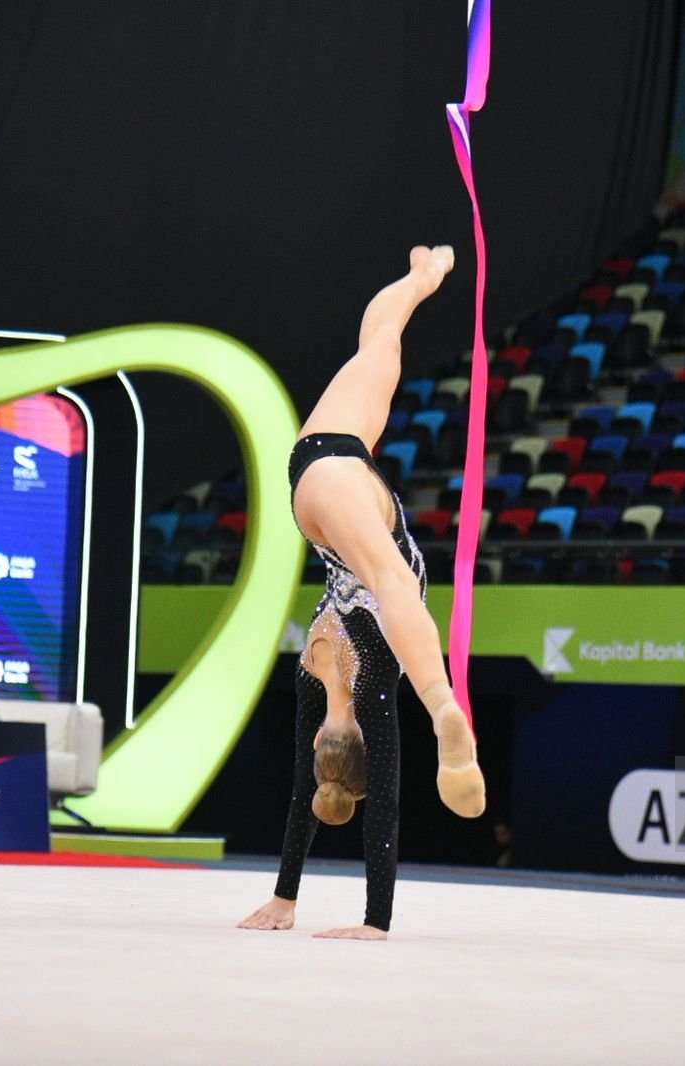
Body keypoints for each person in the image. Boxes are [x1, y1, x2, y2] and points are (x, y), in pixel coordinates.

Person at [238, 246, 486, 941]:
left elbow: (375, 803)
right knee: (386, 579)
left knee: (381, 341)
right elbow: (305, 792)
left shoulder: (378, 679)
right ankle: (445, 704)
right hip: (324, 478)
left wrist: (296, 901)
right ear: (322, 737)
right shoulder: (330, 677)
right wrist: (328, 910)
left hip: (365, 499)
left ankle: (422, 277)